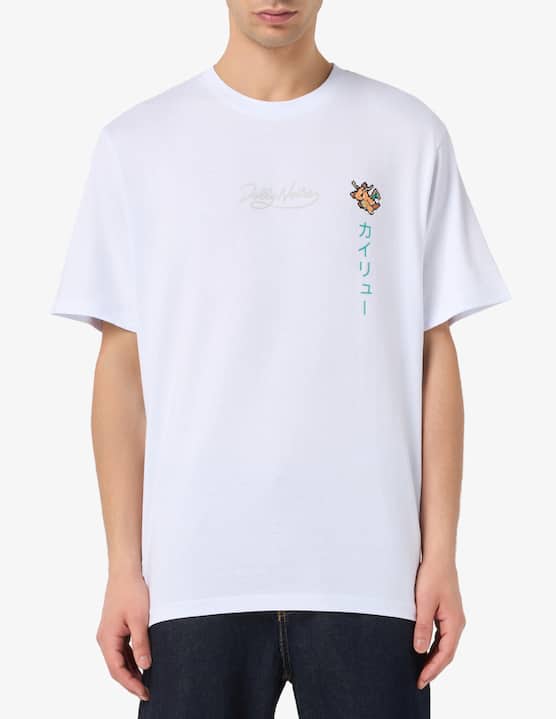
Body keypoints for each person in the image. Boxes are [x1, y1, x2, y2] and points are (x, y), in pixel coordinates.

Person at [52, 1, 510, 717]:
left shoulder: (406, 134)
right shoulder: (137, 145)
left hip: (373, 574)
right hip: (193, 577)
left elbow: (433, 354)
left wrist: (442, 554)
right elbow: (121, 369)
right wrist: (122, 567)